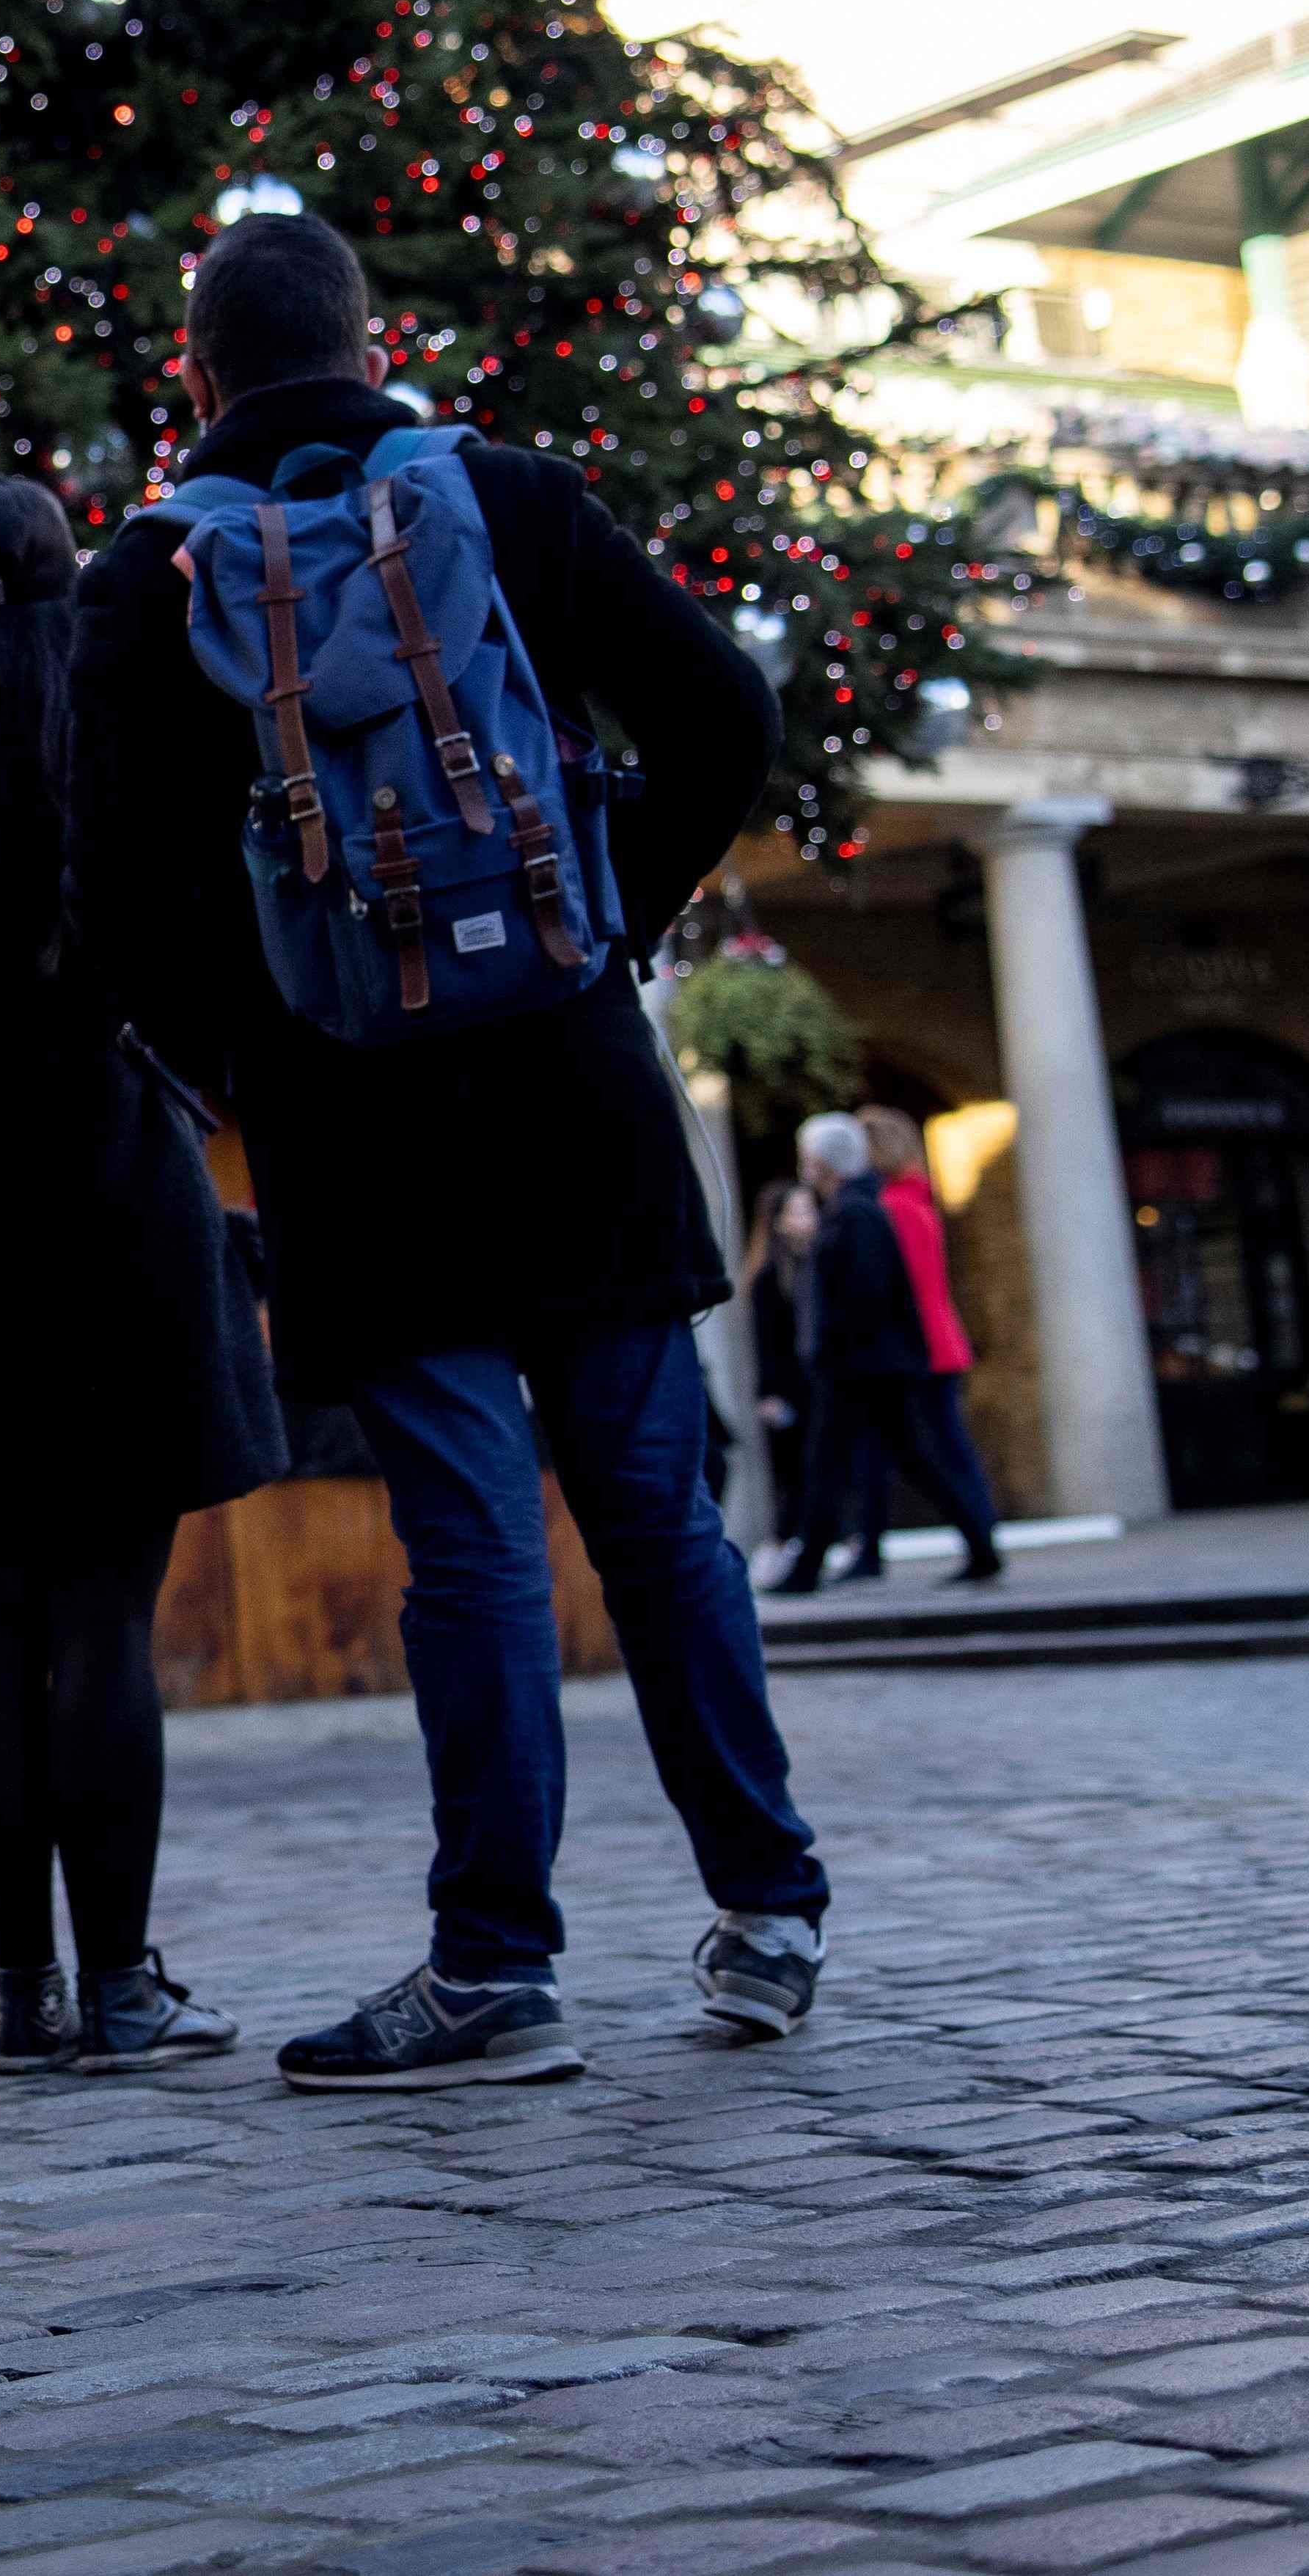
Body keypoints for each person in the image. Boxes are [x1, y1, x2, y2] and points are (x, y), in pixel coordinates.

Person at [67, 213, 824, 2091]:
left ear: (195, 374)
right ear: (373, 339)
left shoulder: (148, 575)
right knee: (660, 1515)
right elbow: (729, 711)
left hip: (352, 1116)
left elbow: (107, 900)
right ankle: (771, 1906)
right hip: (569, 1074)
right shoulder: (500, 494)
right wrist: (606, 910)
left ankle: (495, 1965)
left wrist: (248, 1045)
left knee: (471, 1545)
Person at [0, 473, 285, 2076]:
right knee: (106, 1615)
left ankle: (23, 1994)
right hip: (114, 1201)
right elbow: (207, 970)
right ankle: (130, 1986)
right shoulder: (119, 771)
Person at [782, 1116, 1002, 1589]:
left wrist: (834, 1346)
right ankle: (979, 1545)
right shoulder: (860, 1207)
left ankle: (809, 1568)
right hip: (877, 1361)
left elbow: (878, 1293)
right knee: (904, 1457)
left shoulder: (861, 1211)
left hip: (864, 1364)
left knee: (850, 1461)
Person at [737, 1177, 823, 1547]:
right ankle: (788, 1539)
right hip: (791, 1388)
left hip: (816, 1382)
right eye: (799, 1212)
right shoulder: (770, 1276)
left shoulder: (815, 1262)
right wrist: (769, 1393)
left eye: (810, 1210)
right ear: (777, 1221)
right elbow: (766, 1343)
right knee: (796, 1468)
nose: (810, 1220)